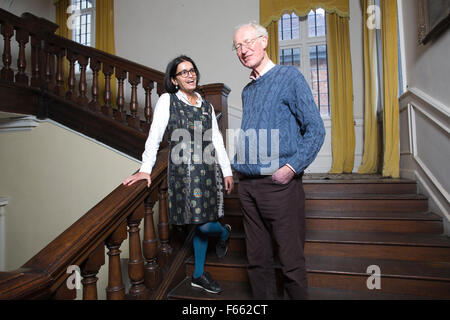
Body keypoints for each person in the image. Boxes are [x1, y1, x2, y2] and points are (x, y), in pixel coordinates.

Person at [123, 55, 234, 294]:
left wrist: (227, 171)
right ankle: (223, 233)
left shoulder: (205, 105)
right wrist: (145, 169)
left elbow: (216, 140)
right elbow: (154, 136)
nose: (190, 75)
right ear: (174, 80)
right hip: (183, 175)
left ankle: (198, 274)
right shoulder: (168, 100)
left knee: (202, 223)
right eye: (183, 72)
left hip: (208, 171)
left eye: (192, 70)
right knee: (200, 224)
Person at [232, 23, 326, 300]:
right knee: (257, 263)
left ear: (264, 41)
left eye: (248, 42)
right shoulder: (248, 91)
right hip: (248, 188)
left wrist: (291, 168)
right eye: (237, 46)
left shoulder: (289, 77)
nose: (243, 50)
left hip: (280, 187)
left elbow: (316, 130)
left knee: (290, 264)